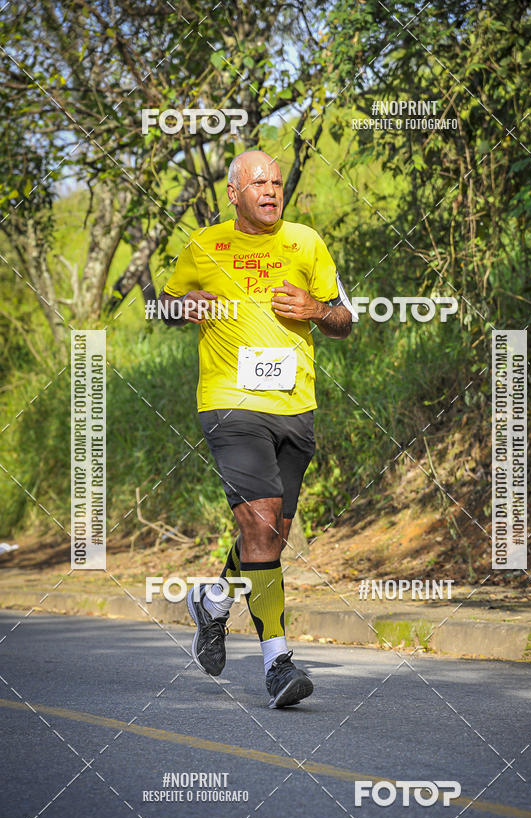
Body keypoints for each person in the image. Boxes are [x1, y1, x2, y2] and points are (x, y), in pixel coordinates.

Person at [159, 149, 355, 708]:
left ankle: (214, 601)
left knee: (270, 534)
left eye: (277, 182)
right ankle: (278, 663)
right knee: (262, 523)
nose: (271, 191)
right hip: (230, 404)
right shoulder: (205, 245)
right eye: (259, 183)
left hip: (295, 406)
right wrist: (185, 306)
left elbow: (346, 318)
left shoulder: (306, 242)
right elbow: (167, 306)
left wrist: (316, 310)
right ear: (234, 193)